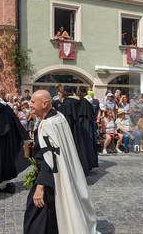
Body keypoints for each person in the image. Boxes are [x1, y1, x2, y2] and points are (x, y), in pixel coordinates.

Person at [24, 90, 98, 234]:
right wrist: (36, 147)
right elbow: (55, 147)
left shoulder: (47, 125)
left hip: (51, 178)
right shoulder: (59, 117)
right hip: (59, 173)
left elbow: (50, 158)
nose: (29, 104)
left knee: (36, 217)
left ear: (45, 103)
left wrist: (40, 187)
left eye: (33, 102)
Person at [58, 85, 90, 176]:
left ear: (63, 93)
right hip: (76, 129)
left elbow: (65, 118)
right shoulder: (75, 101)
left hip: (70, 130)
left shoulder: (67, 103)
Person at [78, 86, 98, 171]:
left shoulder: (82, 102)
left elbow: (81, 115)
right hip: (89, 124)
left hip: (84, 126)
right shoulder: (89, 101)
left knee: (85, 144)